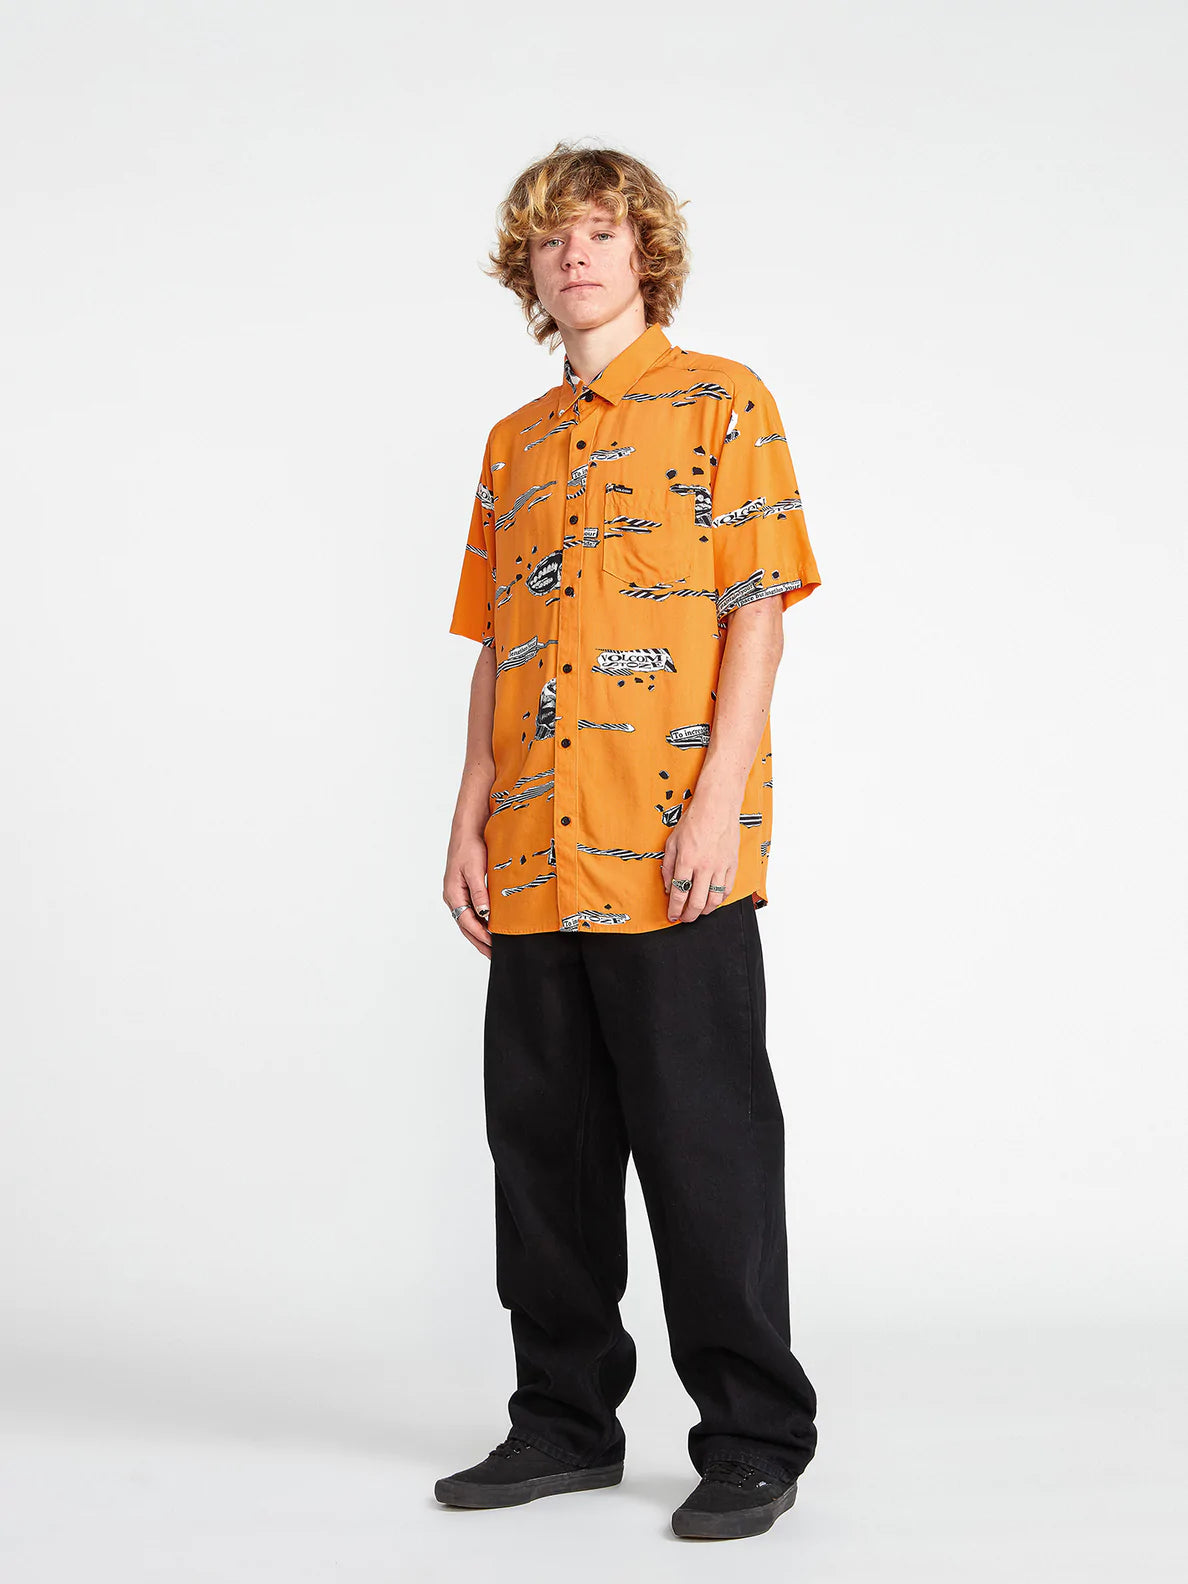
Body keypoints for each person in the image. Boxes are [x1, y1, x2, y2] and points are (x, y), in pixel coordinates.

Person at [437, 141, 823, 1542]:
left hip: (671, 855)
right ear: (531, 274)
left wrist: (719, 801)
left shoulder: (725, 403)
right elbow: (497, 646)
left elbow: (756, 613)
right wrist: (468, 813)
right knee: (542, 1157)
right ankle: (562, 1424)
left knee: (707, 1150)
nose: (576, 255)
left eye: (601, 231)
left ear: (646, 253)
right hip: (536, 855)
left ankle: (755, 1439)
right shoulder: (513, 446)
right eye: (553, 240)